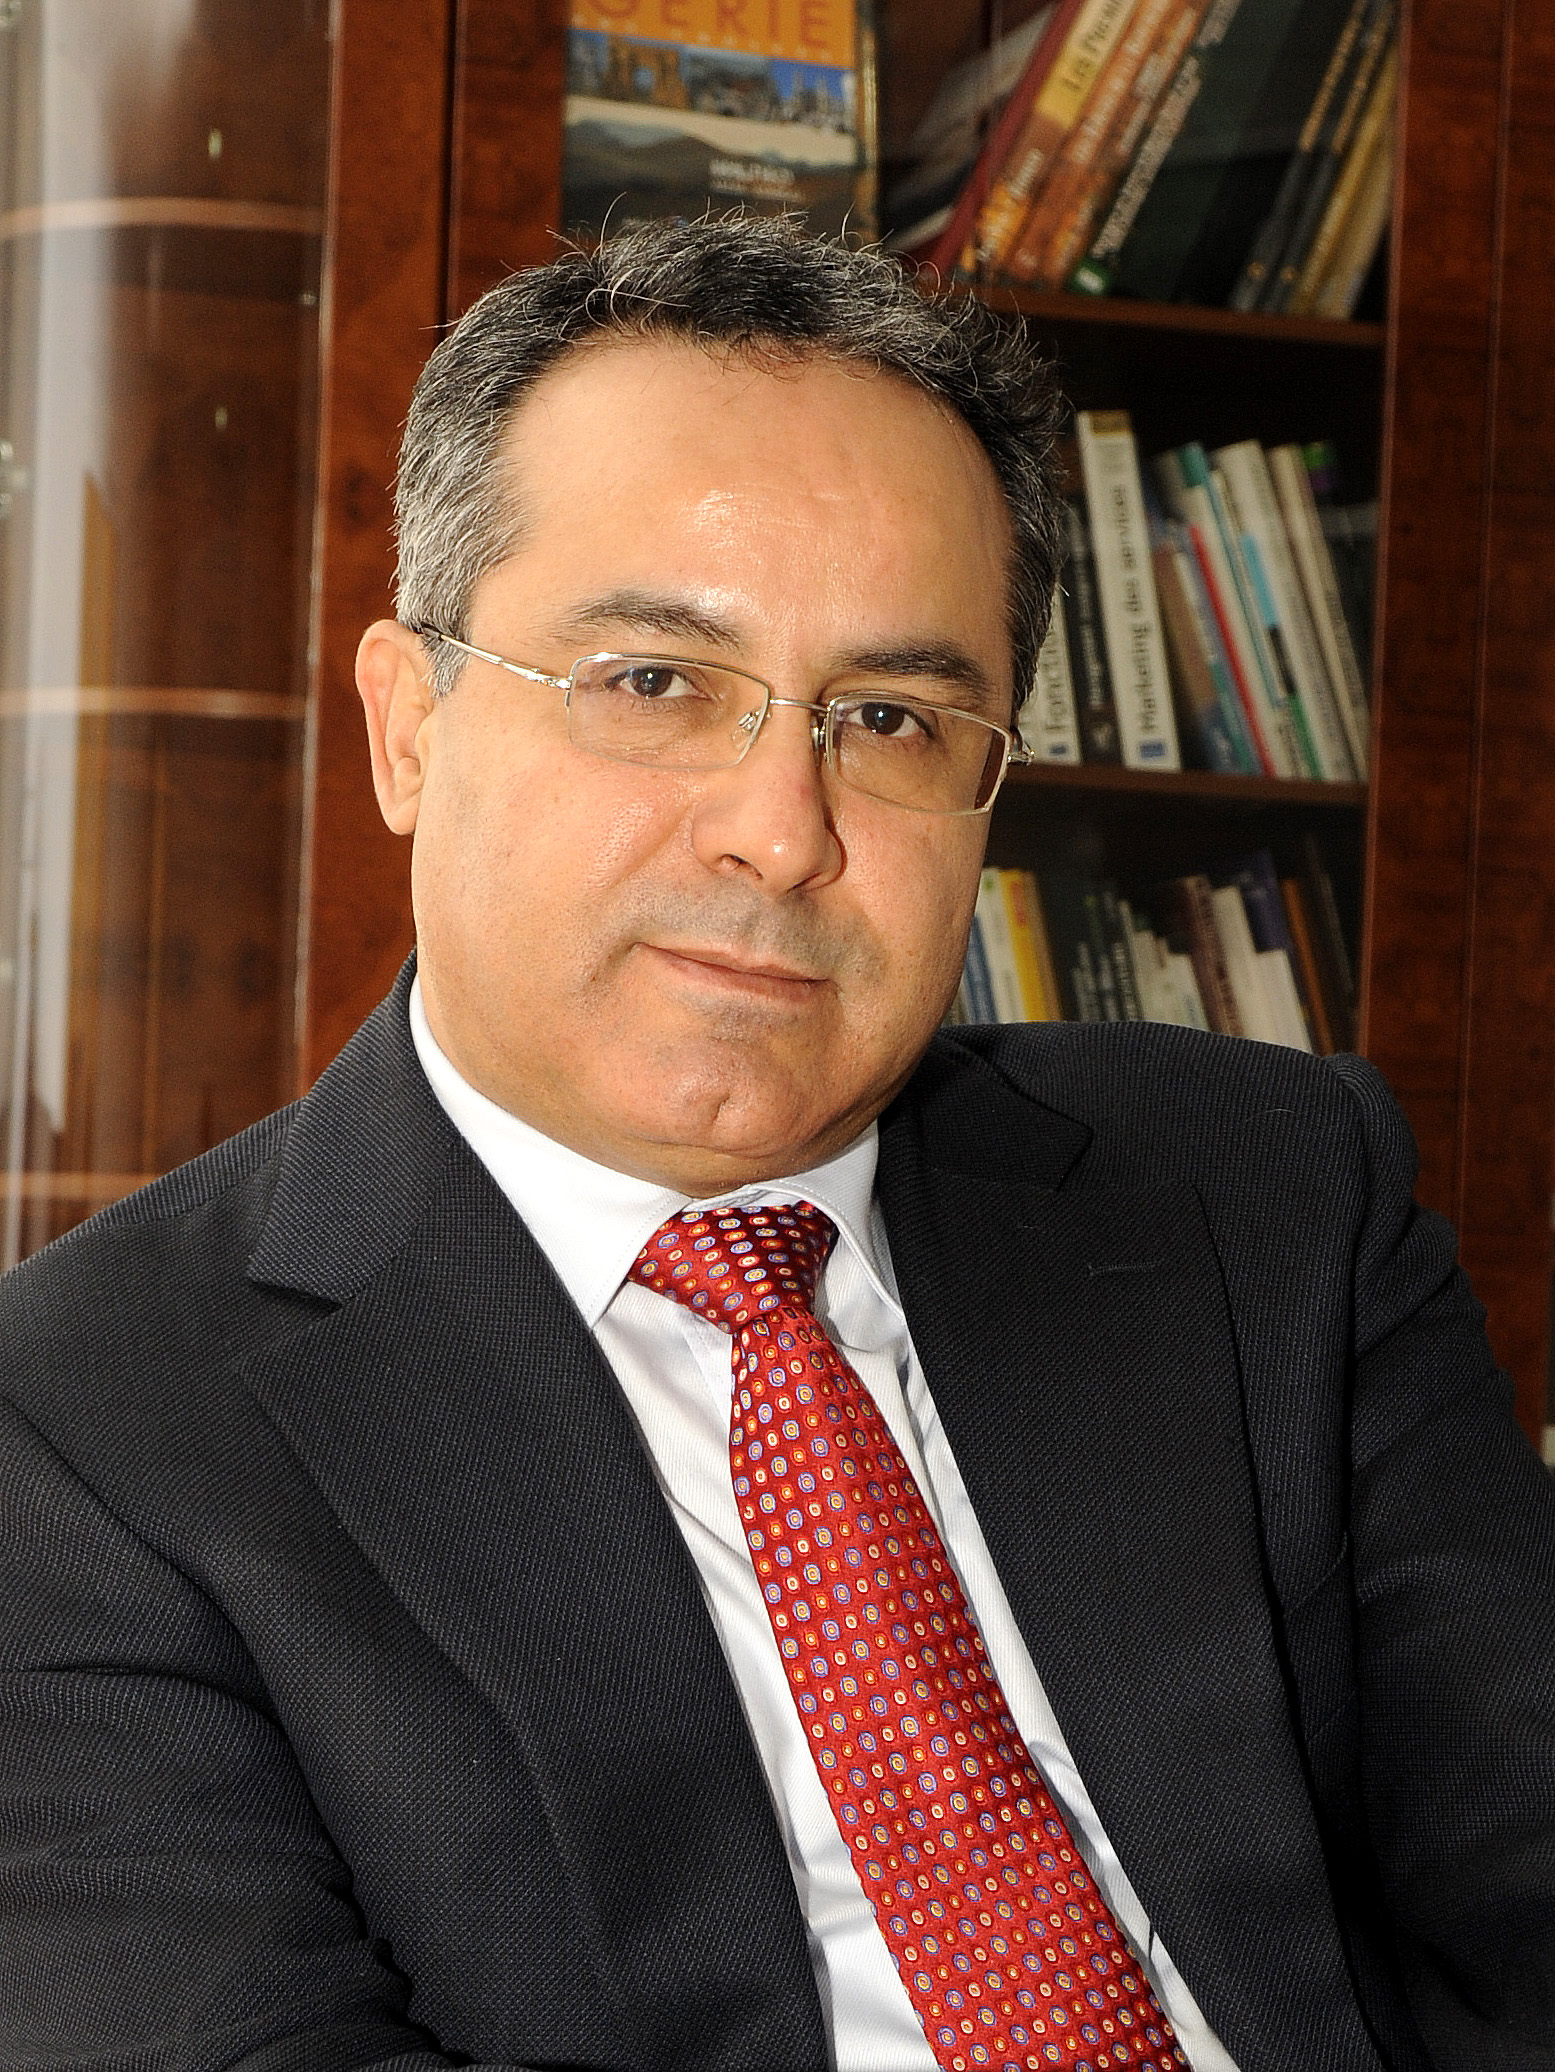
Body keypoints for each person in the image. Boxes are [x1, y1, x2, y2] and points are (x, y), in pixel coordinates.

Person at [1, 216, 1552, 2072]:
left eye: (890, 719)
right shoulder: (82, 1426)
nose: (783, 829)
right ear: (410, 727)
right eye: (655, 681)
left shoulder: (1271, 1191)